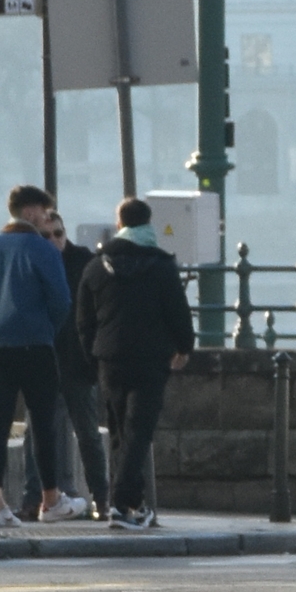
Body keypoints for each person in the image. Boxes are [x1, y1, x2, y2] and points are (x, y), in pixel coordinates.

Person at [0, 182, 77, 529]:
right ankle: (50, 499)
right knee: (42, 423)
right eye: (41, 212)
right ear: (29, 212)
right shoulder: (42, 250)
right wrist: (45, 328)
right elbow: (61, 301)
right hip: (35, 344)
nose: (44, 219)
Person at [74, 196, 196, 531]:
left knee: (118, 433)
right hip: (151, 358)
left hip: (110, 358)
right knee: (139, 431)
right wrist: (184, 347)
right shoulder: (161, 266)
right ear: (148, 224)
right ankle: (120, 503)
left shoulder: (97, 266)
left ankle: (133, 505)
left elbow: (83, 319)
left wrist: (92, 353)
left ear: (120, 224)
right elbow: (178, 312)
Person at [18, 209, 110, 519]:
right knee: (37, 433)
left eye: (58, 233)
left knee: (88, 434)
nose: (54, 240)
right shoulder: (31, 262)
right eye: (46, 235)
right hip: (42, 360)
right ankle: (35, 498)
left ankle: (101, 498)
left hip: (77, 362)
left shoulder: (81, 261)